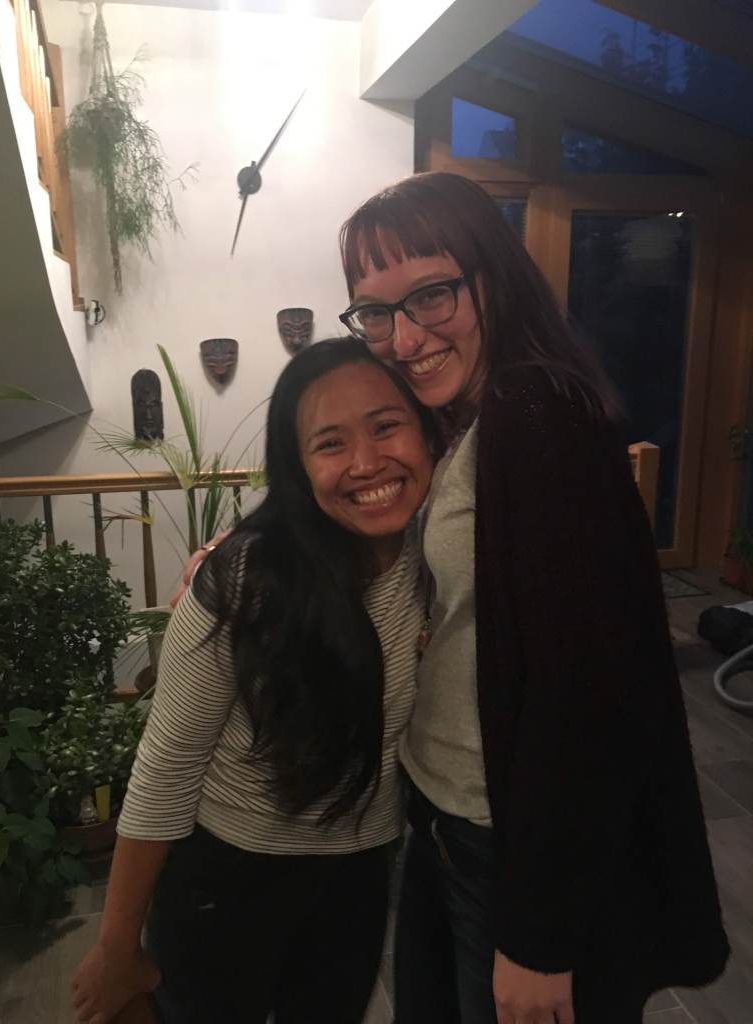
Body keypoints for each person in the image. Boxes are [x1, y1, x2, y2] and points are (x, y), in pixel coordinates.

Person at [333, 171, 729, 1024]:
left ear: (494, 277)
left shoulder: (538, 413)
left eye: (431, 295)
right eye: (376, 311)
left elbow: (587, 691)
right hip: (446, 811)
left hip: (505, 842)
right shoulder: (465, 418)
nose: (404, 337)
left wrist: (543, 937)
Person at [69, 338, 440, 1024]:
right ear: (297, 466)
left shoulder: (440, 555)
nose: (366, 463)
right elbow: (168, 765)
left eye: (387, 426)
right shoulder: (245, 578)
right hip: (227, 877)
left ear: (426, 431)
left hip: (359, 872)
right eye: (331, 443)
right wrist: (117, 947)